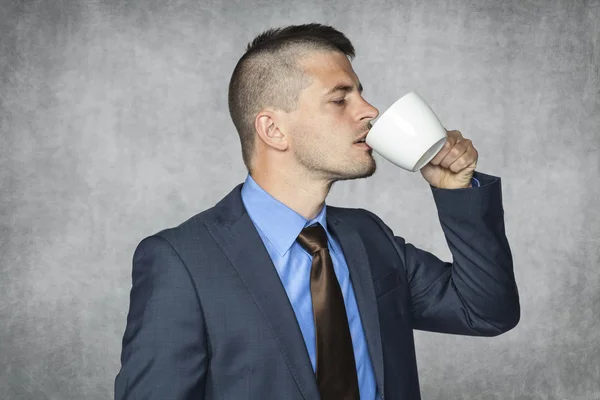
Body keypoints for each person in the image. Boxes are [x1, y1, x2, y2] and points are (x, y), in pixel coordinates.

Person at [114, 23, 520, 400]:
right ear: (273, 129)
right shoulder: (181, 261)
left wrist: (457, 191)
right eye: (341, 99)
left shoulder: (370, 236)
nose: (370, 111)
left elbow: (486, 312)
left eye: (360, 93)